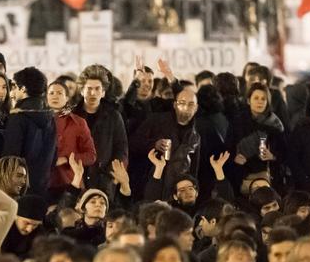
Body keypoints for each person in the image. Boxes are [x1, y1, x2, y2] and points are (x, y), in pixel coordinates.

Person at [133, 88, 201, 200]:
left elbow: (194, 168)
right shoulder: (156, 121)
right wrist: (153, 144)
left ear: (196, 108)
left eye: (191, 104)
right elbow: (133, 143)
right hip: (150, 183)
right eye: (182, 103)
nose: (186, 108)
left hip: (177, 191)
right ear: (174, 105)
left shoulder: (195, 136)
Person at [74, 65, 128, 194]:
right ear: (82, 91)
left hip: (104, 178)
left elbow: (121, 148)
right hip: (77, 176)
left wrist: (111, 176)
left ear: (103, 92)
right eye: (89, 89)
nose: (93, 93)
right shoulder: (73, 114)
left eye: (97, 89)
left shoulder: (113, 116)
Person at [3, 67, 57, 196]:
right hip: (42, 185)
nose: (12, 91)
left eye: (15, 86)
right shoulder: (50, 117)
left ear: (23, 88)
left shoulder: (19, 117)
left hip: (20, 186)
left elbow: (10, 155)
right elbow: (54, 155)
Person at [227, 82, 285, 194]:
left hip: (267, 177)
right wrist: (234, 157)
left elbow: (285, 152)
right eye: (256, 98)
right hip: (241, 175)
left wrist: (273, 156)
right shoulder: (238, 121)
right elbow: (228, 146)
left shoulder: (275, 124)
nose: (260, 101)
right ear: (249, 100)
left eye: (263, 99)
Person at [46, 80, 97, 195]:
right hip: (43, 181)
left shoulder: (78, 122)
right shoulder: (37, 121)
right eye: (51, 93)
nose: (55, 96)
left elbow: (91, 155)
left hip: (70, 180)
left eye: (59, 93)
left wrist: (67, 159)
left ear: (67, 97)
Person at [1, 194, 47, 259]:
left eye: (35, 225)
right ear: (15, 216)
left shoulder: (40, 233)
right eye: (27, 223)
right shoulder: (0, 228)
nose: (29, 229)